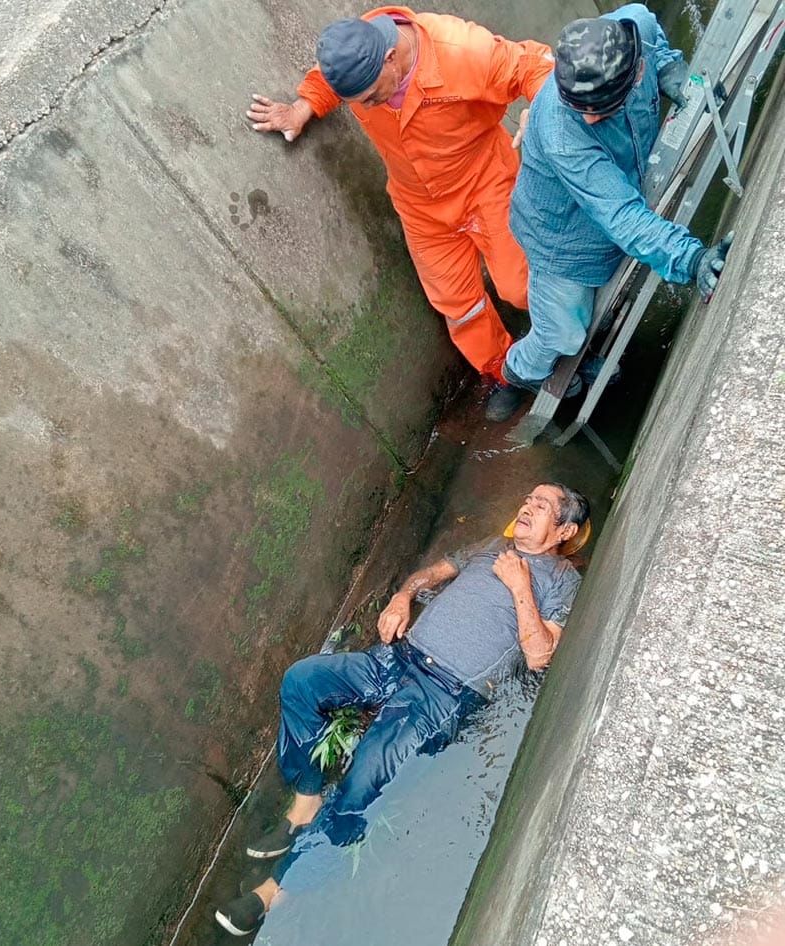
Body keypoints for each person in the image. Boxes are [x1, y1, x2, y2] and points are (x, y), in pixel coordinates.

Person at [215, 482, 590, 939]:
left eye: (542, 505)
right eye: (528, 499)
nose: (527, 507)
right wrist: (403, 596)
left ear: (564, 529)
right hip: (397, 658)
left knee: (362, 780)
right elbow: (433, 573)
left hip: (443, 695)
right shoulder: (494, 544)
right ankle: (306, 800)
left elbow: (539, 655)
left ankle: (277, 890)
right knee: (303, 680)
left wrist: (520, 586)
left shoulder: (561, 580)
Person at [246, 7, 555, 410]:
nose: (370, 107)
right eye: (359, 102)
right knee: (458, 306)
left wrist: (543, 110)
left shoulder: (462, 51)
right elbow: (326, 79)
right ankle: (506, 372)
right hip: (420, 208)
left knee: (520, 287)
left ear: (391, 57)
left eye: (373, 96)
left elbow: (535, 65)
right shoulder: (356, 56)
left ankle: (568, 342)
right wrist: (302, 109)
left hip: (486, 182)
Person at [486, 3, 734, 422]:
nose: (588, 116)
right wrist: (692, 259)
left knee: (588, 313)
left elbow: (649, 30)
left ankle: (581, 351)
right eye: (580, 107)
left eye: (599, 108)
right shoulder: (563, 132)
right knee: (560, 331)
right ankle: (517, 373)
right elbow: (622, 217)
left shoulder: (632, 26)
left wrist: (671, 68)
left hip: (610, 192)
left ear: (636, 71)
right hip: (560, 239)